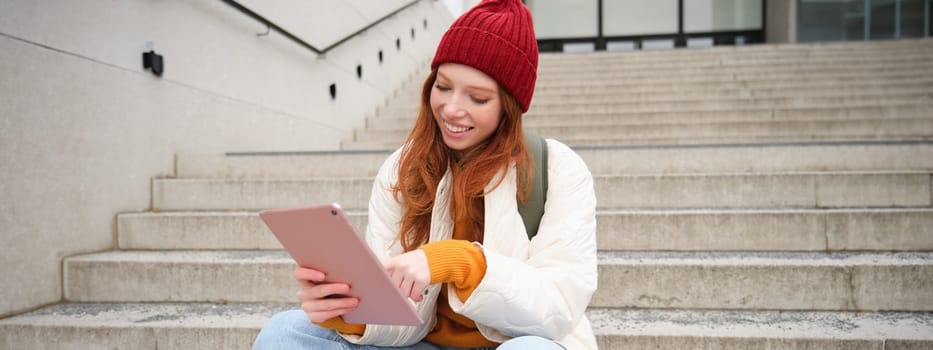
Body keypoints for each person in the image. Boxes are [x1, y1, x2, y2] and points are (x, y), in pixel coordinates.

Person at [253, 0, 598, 348]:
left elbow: (558, 307)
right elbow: (402, 321)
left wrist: (460, 262)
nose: (451, 109)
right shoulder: (402, 169)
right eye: (443, 86)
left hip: (514, 342)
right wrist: (347, 312)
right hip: (421, 344)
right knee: (286, 332)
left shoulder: (557, 168)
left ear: (509, 107)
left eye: (477, 98)